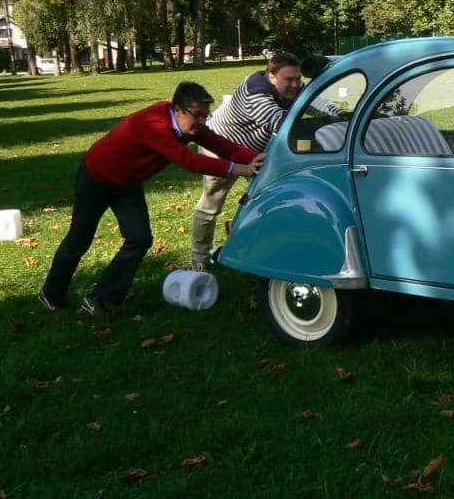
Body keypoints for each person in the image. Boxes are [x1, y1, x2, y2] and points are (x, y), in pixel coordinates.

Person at [39, 81, 264, 315]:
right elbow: (189, 160)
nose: (202, 122)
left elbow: (224, 145)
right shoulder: (154, 125)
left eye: (206, 116)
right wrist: (238, 169)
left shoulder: (191, 124)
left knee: (139, 238)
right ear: (178, 109)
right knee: (79, 239)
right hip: (97, 177)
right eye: (197, 115)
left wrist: (258, 159)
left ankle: (102, 299)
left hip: (127, 182)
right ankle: (51, 294)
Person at [190, 52, 303, 271]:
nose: (295, 85)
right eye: (289, 79)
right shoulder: (255, 90)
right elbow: (278, 122)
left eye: (297, 78)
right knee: (210, 207)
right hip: (219, 148)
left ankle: (237, 231)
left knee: (269, 197)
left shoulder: (295, 86)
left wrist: (343, 115)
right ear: (271, 76)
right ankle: (199, 261)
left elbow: (318, 102)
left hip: (253, 154)